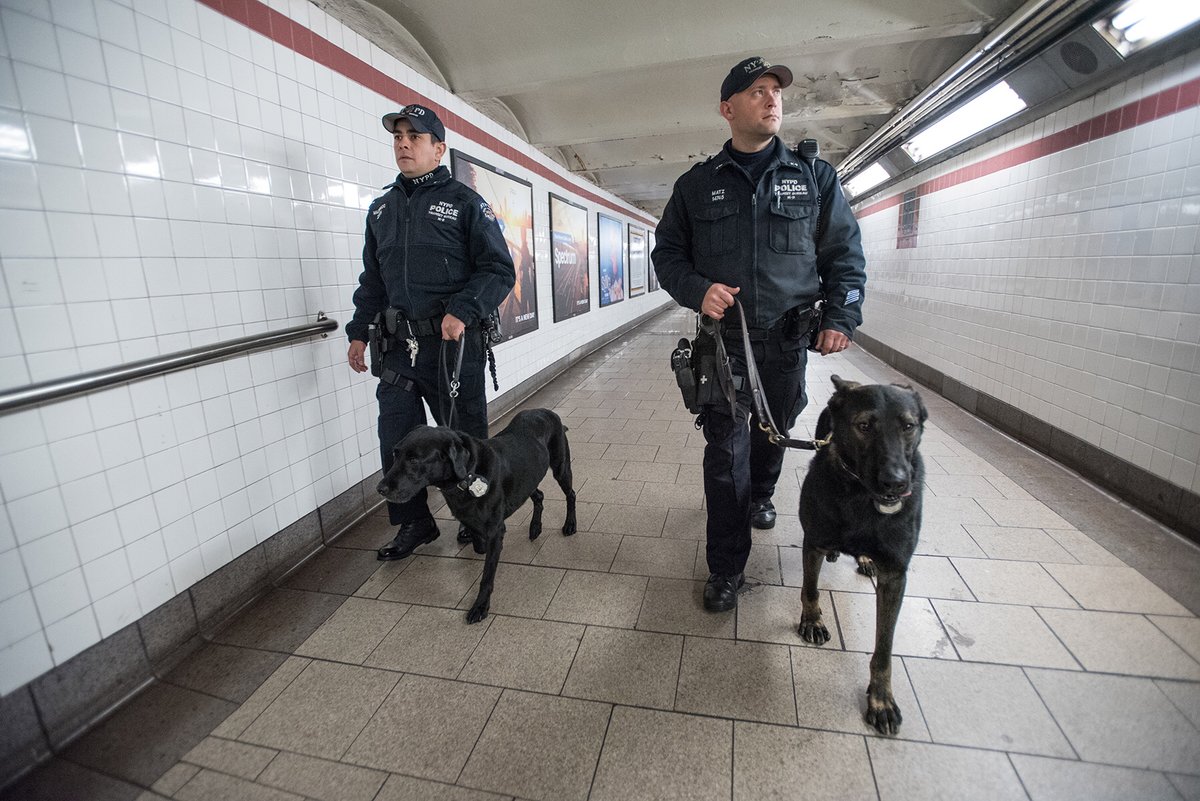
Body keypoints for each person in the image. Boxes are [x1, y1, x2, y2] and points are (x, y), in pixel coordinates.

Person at [652, 57, 867, 612]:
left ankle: (763, 494)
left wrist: (840, 318)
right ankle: (726, 566)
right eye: (756, 92)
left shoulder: (813, 177)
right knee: (725, 454)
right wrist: (698, 289)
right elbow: (668, 255)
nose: (771, 100)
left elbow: (844, 254)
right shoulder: (697, 186)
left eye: (775, 91)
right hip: (724, 346)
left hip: (790, 342)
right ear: (728, 109)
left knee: (777, 429)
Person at [347, 104, 516, 560]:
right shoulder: (380, 209)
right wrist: (359, 331)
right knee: (397, 440)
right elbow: (373, 281)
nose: (403, 143)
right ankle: (414, 525)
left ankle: (478, 517)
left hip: (451, 347)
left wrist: (463, 309)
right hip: (397, 349)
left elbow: (499, 269)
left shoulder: (465, 203)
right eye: (398, 136)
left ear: (438, 148)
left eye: (414, 136)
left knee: (466, 440)